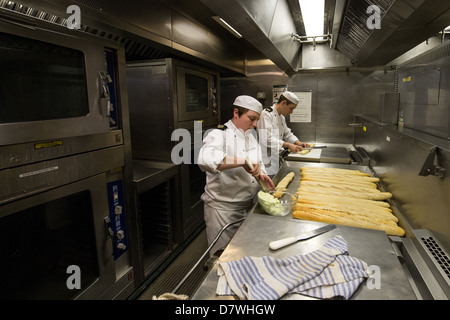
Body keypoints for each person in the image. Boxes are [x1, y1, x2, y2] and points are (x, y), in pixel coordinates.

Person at [198, 95, 275, 256]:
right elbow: (204, 159)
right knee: (223, 257)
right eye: (251, 119)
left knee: (242, 254)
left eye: (257, 120)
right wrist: (242, 162)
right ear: (236, 113)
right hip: (223, 211)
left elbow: (257, 164)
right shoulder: (219, 134)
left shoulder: (250, 136)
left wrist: (261, 176)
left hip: (248, 206)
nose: (255, 124)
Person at [257, 91, 310, 176]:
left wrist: (299, 143)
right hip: (267, 160)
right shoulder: (266, 114)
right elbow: (266, 139)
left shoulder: (281, 117)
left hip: (277, 159)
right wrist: (288, 145)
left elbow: (287, 133)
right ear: (284, 103)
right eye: (291, 108)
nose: (291, 112)